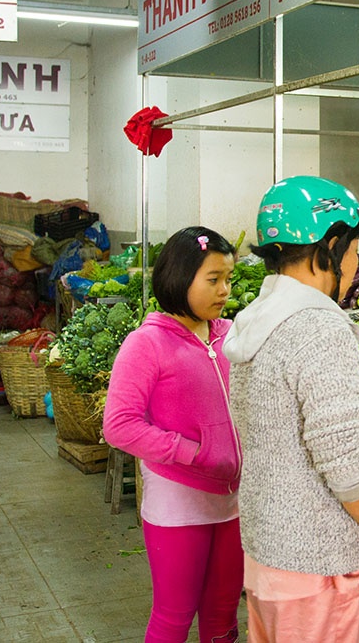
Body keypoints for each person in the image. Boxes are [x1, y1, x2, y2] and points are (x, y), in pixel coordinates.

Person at [223, 176, 359, 642]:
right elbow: (346, 463)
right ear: (331, 246)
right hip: (319, 568)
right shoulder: (319, 327)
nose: (357, 260)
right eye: (354, 247)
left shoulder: (256, 319)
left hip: (269, 556)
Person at [102, 226, 243, 643]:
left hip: (233, 501)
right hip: (179, 500)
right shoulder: (146, 344)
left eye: (228, 279)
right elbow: (119, 425)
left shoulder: (229, 335)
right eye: (213, 279)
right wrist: (192, 453)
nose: (225, 290)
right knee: (173, 617)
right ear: (181, 277)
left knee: (223, 616)